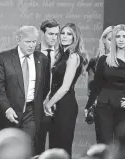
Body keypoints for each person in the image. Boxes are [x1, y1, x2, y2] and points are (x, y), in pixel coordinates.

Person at [0, 26, 48, 154]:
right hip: (9, 112)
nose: (31, 45)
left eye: (34, 42)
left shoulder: (42, 59)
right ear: (18, 39)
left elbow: (45, 87)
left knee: (26, 149)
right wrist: (7, 108)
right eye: (28, 42)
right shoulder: (3, 58)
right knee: (7, 151)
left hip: (31, 112)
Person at [44, 23, 88, 156]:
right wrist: (49, 99)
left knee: (62, 146)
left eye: (69, 34)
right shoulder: (61, 55)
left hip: (65, 105)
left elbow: (65, 87)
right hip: (56, 102)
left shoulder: (73, 56)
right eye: (62, 33)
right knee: (53, 146)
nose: (64, 36)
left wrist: (48, 104)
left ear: (75, 38)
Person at [85, 24, 125, 145]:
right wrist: (88, 106)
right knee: (105, 143)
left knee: (123, 146)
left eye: (124, 36)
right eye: (118, 36)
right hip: (104, 106)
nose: (121, 39)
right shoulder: (104, 59)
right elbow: (96, 86)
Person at [35, 18, 60, 154]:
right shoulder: (33, 52)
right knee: (38, 144)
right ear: (42, 33)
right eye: (51, 34)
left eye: (56, 34)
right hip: (37, 105)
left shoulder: (62, 54)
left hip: (58, 103)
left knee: (57, 146)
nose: (54, 38)